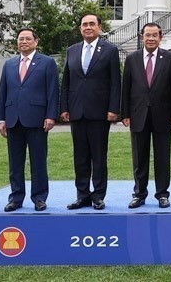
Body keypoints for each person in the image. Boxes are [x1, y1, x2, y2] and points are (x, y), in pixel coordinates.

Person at [59, 12, 121, 210]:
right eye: (84, 24)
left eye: (92, 24)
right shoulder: (72, 50)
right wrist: (65, 107)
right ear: (80, 28)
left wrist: (113, 108)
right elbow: (66, 82)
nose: (88, 27)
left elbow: (115, 82)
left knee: (99, 157)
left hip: (100, 113)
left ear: (99, 27)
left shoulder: (110, 50)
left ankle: (98, 196)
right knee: (80, 157)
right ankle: (82, 195)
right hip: (77, 112)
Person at [0, 27, 59, 212]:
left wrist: (50, 115)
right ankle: (16, 198)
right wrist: (1, 118)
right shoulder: (9, 64)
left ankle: (39, 197)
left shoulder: (47, 63)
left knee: (38, 161)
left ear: (36, 42)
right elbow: (3, 92)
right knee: (15, 163)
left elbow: (53, 91)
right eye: (21, 38)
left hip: (37, 119)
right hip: (13, 119)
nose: (24, 41)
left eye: (28, 38)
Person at [121, 22, 171, 208]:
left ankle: (162, 194)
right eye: (148, 35)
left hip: (162, 115)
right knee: (139, 158)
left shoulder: (169, 58)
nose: (151, 38)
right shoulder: (131, 59)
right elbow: (126, 88)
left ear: (160, 37)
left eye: (155, 35)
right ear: (142, 37)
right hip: (138, 115)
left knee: (162, 157)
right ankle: (139, 194)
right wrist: (125, 114)